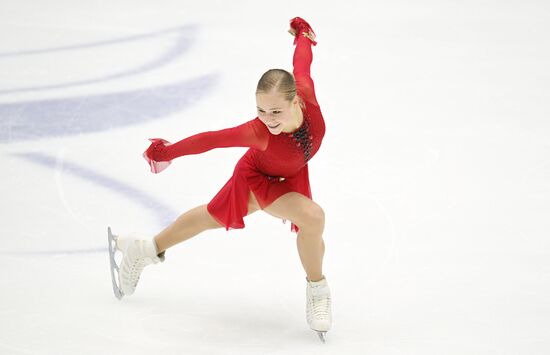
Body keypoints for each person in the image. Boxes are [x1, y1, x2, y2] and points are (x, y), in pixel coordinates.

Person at [113, 17, 331, 340]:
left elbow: (302, 62)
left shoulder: (307, 94)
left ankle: (143, 249)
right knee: (313, 217)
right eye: (261, 111)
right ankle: (318, 291)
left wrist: (303, 35)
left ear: (295, 100)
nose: (267, 119)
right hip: (259, 177)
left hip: (291, 174)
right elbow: (211, 139)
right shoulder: (258, 133)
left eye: (275, 112)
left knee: (209, 217)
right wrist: (167, 152)